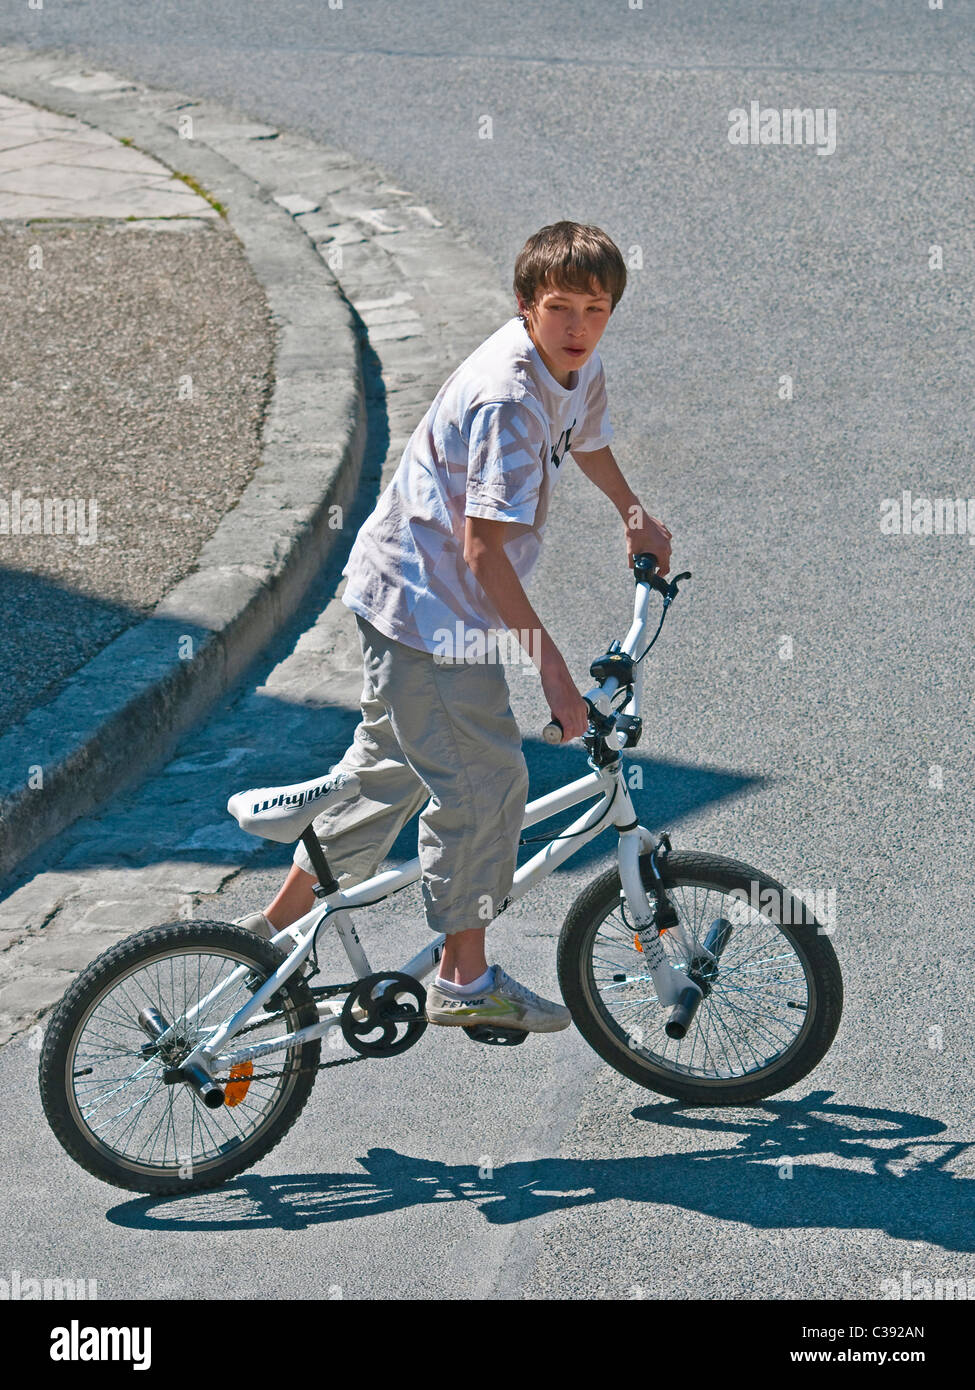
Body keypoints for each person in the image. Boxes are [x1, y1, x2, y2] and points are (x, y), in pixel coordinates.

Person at [237, 220, 672, 1033]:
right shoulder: (508, 399)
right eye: (559, 308)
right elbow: (481, 554)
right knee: (486, 785)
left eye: (595, 308)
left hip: (402, 597)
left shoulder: (572, 367)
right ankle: (464, 980)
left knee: (388, 774)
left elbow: (586, 436)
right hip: (431, 616)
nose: (578, 326)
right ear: (523, 307)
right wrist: (550, 671)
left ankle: (265, 939)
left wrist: (633, 514)